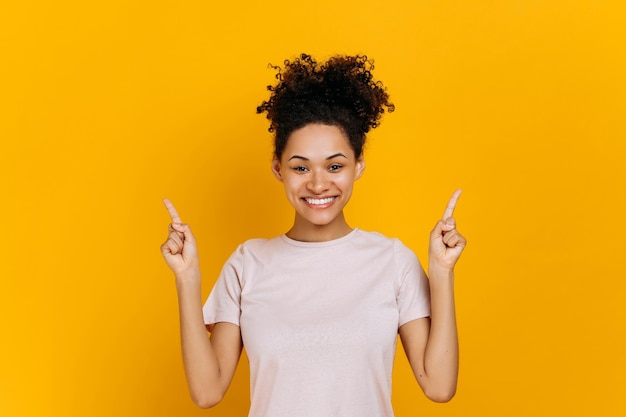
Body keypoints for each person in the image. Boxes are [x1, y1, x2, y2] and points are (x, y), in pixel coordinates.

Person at [160, 53, 466, 417]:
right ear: (278, 168)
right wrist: (186, 278)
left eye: (335, 166)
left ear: (359, 165)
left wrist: (442, 272)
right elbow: (207, 392)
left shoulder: (393, 261)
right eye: (300, 167)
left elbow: (439, 385)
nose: (318, 183)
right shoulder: (247, 263)